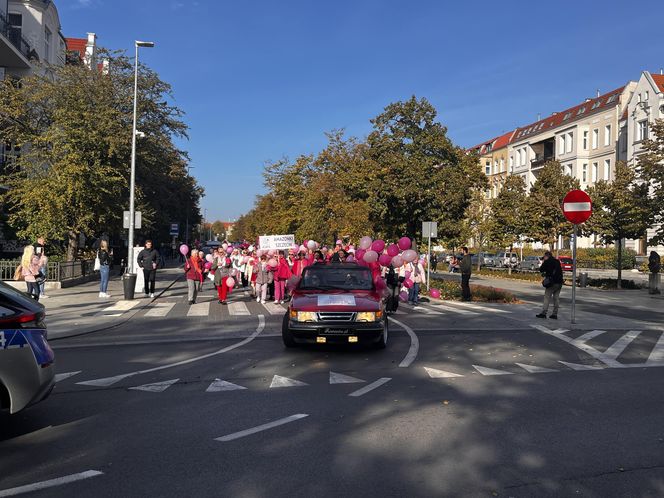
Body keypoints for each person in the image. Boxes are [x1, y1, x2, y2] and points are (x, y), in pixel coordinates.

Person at [537, 251, 564, 319]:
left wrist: (543, 262)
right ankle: (555, 314)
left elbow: (541, 269)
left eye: (544, 257)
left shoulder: (547, 262)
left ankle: (544, 313)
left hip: (552, 283)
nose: (544, 258)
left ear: (546, 256)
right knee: (556, 298)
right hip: (559, 282)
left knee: (547, 297)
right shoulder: (557, 261)